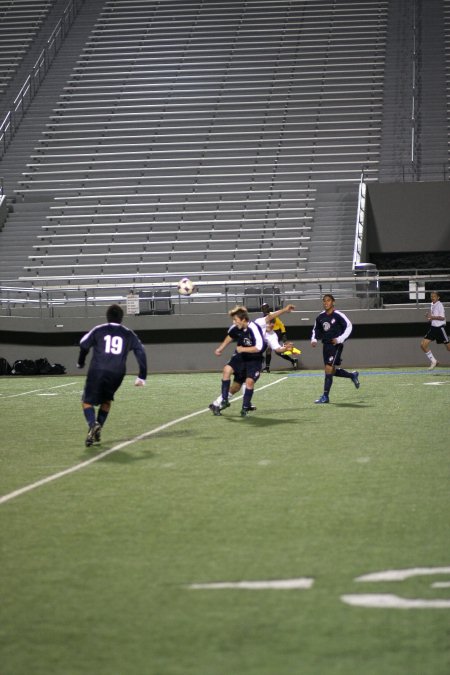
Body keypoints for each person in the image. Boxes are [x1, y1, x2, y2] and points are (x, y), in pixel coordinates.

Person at [77, 304, 147, 447]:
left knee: (86, 400)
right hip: (117, 372)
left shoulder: (99, 329)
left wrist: (81, 362)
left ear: (107, 316)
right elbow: (140, 350)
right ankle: (97, 428)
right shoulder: (128, 333)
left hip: (97, 369)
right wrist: (142, 376)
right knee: (107, 401)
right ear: (121, 318)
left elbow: (83, 344)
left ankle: (92, 424)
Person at [209, 303, 295, 416]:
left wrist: (285, 349)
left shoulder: (271, 336)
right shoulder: (259, 323)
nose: (270, 324)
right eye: (269, 322)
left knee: (244, 383)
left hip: (254, 360)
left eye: (272, 324)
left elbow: (277, 349)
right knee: (233, 380)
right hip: (242, 358)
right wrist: (284, 310)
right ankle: (220, 403)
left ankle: (239, 405)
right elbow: (270, 316)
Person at [311, 294, 360, 403]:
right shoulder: (320, 317)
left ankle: (325, 396)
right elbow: (316, 330)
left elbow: (349, 326)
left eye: (328, 300)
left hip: (336, 346)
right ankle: (352, 375)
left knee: (328, 369)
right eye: (324, 301)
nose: (326, 303)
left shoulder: (338, 315)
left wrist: (340, 339)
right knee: (331, 371)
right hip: (326, 346)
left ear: (333, 302)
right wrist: (314, 339)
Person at [260, 302, 300, 371]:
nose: (264, 309)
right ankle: (267, 367)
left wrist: (284, 334)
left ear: (268, 308)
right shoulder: (263, 317)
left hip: (276, 333)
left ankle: (292, 360)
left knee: (272, 350)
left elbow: (281, 324)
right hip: (270, 334)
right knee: (271, 351)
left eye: (266, 308)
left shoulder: (272, 315)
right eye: (263, 308)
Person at [420, 291, 450, 369]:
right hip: (433, 328)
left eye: (434, 296)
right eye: (431, 296)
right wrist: (429, 317)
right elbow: (433, 317)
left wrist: (432, 317)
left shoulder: (440, 305)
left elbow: (442, 317)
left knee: (448, 348)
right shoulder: (432, 304)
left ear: (438, 297)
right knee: (423, 345)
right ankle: (434, 361)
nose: (432, 298)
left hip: (440, 328)